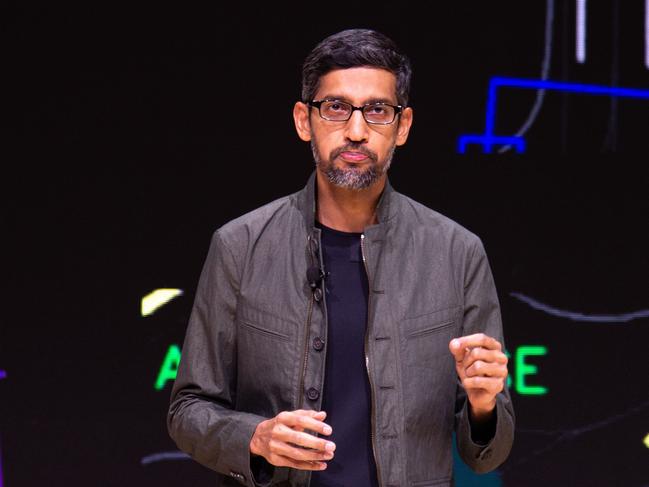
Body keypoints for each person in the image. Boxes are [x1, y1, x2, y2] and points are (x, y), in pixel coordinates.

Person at [168, 28, 514, 487]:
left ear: (403, 126)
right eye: (335, 107)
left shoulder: (456, 252)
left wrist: (484, 405)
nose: (356, 131)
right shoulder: (241, 246)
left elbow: (487, 456)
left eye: (377, 110)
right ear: (303, 120)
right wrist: (255, 437)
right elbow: (187, 409)